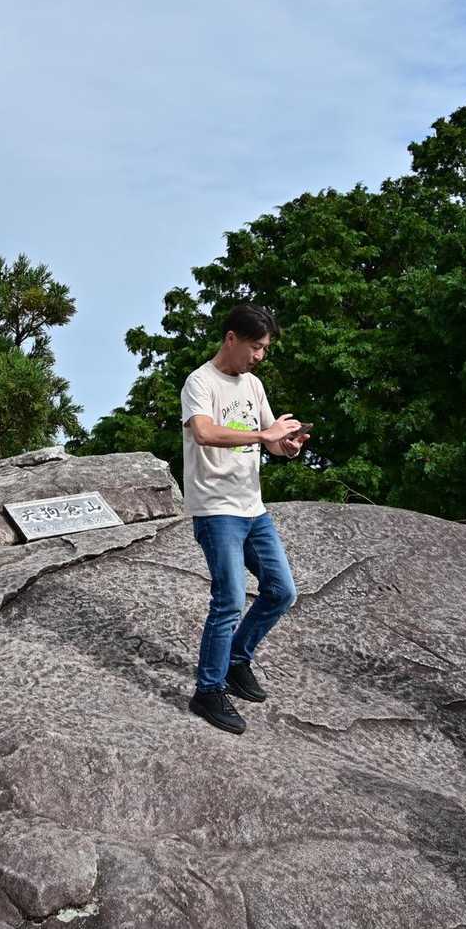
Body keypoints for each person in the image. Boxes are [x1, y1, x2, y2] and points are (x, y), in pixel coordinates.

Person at [181, 303, 309, 734]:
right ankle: (208, 689)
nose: (260, 356)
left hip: (253, 508)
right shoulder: (200, 382)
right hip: (216, 509)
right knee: (230, 599)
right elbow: (204, 432)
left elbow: (271, 438)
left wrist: (286, 446)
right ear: (231, 338)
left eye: (265, 348)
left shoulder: (253, 385)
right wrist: (262, 435)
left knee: (282, 591)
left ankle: (236, 660)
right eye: (255, 346)